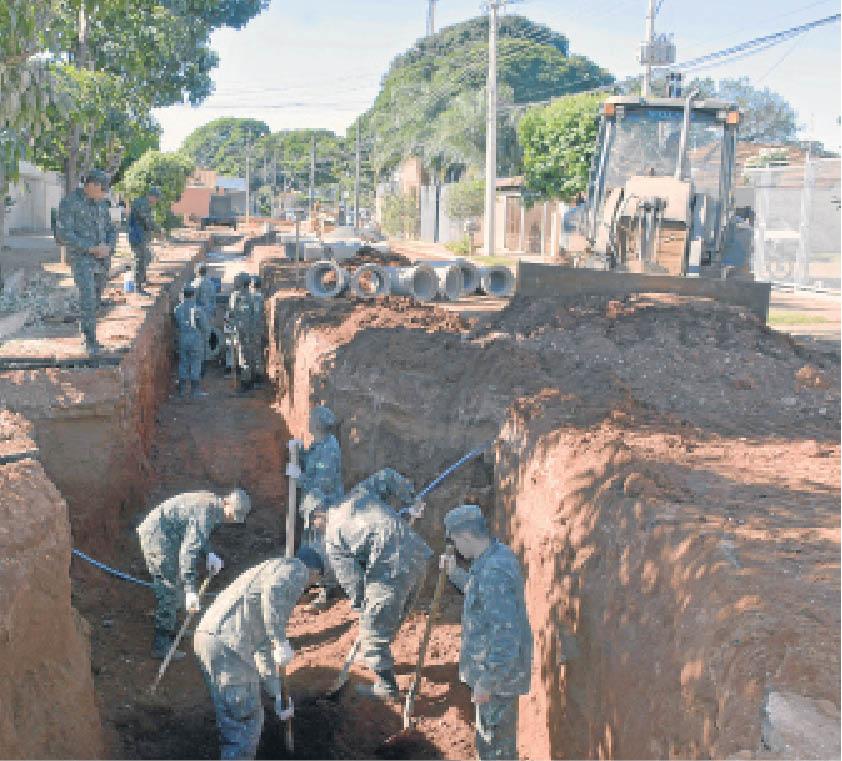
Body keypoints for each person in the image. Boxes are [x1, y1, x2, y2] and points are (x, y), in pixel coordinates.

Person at [193, 546, 324, 760]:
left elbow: (262, 648)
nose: (310, 586)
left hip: (209, 639)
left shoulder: (268, 570)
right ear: (314, 572)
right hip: (229, 646)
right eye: (315, 580)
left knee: (232, 718)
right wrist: (280, 640)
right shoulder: (295, 569)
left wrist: (277, 693)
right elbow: (273, 594)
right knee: (246, 721)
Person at [324, 468, 430, 699]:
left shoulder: (332, 535)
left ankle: (386, 687)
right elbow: (388, 476)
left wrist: (365, 611)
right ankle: (377, 652)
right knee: (391, 615)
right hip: (418, 555)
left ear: (319, 517)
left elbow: (354, 584)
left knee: (373, 626)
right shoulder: (360, 494)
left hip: (390, 565)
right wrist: (411, 500)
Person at [442, 504, 533, 761]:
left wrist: (487, 681)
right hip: (494, 676)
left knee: (495, 749)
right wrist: (455, 574)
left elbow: (506, 633)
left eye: (456, 541)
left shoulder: (494, 572)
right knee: (489, 742)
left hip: (498, 682)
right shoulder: (493, 556)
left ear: (466, 537)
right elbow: (479, 595)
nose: (457, 548)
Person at [136, 488, 252, 659]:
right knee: (169, 586)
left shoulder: (212, 505)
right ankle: (161, 643)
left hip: (168, 535)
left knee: (176, 580)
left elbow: (196, 533)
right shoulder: (208, 510)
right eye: (232, 514)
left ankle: (172, 628)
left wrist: (209, 553)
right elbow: (188, 551)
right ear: (227, 502)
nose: (232, 519)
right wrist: (190, 590)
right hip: (157, 538)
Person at [54, 169, 116, 354]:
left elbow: (112, 229)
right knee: (87, 298)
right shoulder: (70, 203)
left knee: (96, 300)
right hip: (82, 259)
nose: (105, 192)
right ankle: (89, 342)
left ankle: (91, 337)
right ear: (92, 185)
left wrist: (108, 247)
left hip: (102, 259)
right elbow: (63, 235)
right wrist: (90, 248)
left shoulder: (103, 204)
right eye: (102, 189)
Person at [289, 405, 343, 610]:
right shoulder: (318, 444)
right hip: (312, 506)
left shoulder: (330, 448)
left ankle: (327, 591)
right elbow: (310, 465)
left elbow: (323, 482)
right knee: (310, 546)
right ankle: (308, 583)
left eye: (312, 419)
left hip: (324, 508)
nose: (309, 421)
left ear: (319, 423)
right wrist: (299, 453)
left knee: (323, 549)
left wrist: (298, 477)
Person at [174, 285, 209, 398]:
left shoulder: (177, 309)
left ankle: (182, 390)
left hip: (183, 338)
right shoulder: (198, 310)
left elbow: (177, 324)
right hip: (195, 339)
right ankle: (195, 390)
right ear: (193, 295)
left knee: (183, 362)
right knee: (195, 362)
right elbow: (204, 327)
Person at [128, 186, 162, 294]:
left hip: (142, 236)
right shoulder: (142, 204)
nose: (156, 201)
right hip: (137, 236)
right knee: (140, 260)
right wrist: (158, 230)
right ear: (151, 196)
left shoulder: (145, 203)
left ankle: (142, 280)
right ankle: (138, 287)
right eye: (156, 198)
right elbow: (147, 220)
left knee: (146, 257)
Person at [226, 272, 255, 387]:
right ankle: (251, 378)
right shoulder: (252, 296)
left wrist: (230, 325)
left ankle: (245, 382)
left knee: (242, 356)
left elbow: (231, 312)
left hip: (240, 329)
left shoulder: (235, 296)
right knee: (250, 354)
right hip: (251, 329)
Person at [193, 263, 217, 364]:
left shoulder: (195, 284)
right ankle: (207, 358)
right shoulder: (211, 283)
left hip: (200, 314)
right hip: (209, 312)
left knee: (199, 337)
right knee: (207, 335)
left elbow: (192, 300)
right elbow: (213, 299)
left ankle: (200, 360)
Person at [248, 275, 266, 384]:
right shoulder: (261, 297)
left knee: (248, 353)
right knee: (258, 353)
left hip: (250, 329)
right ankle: (258, 378)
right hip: (258, 329)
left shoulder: (251, 297)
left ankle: (250, 376)